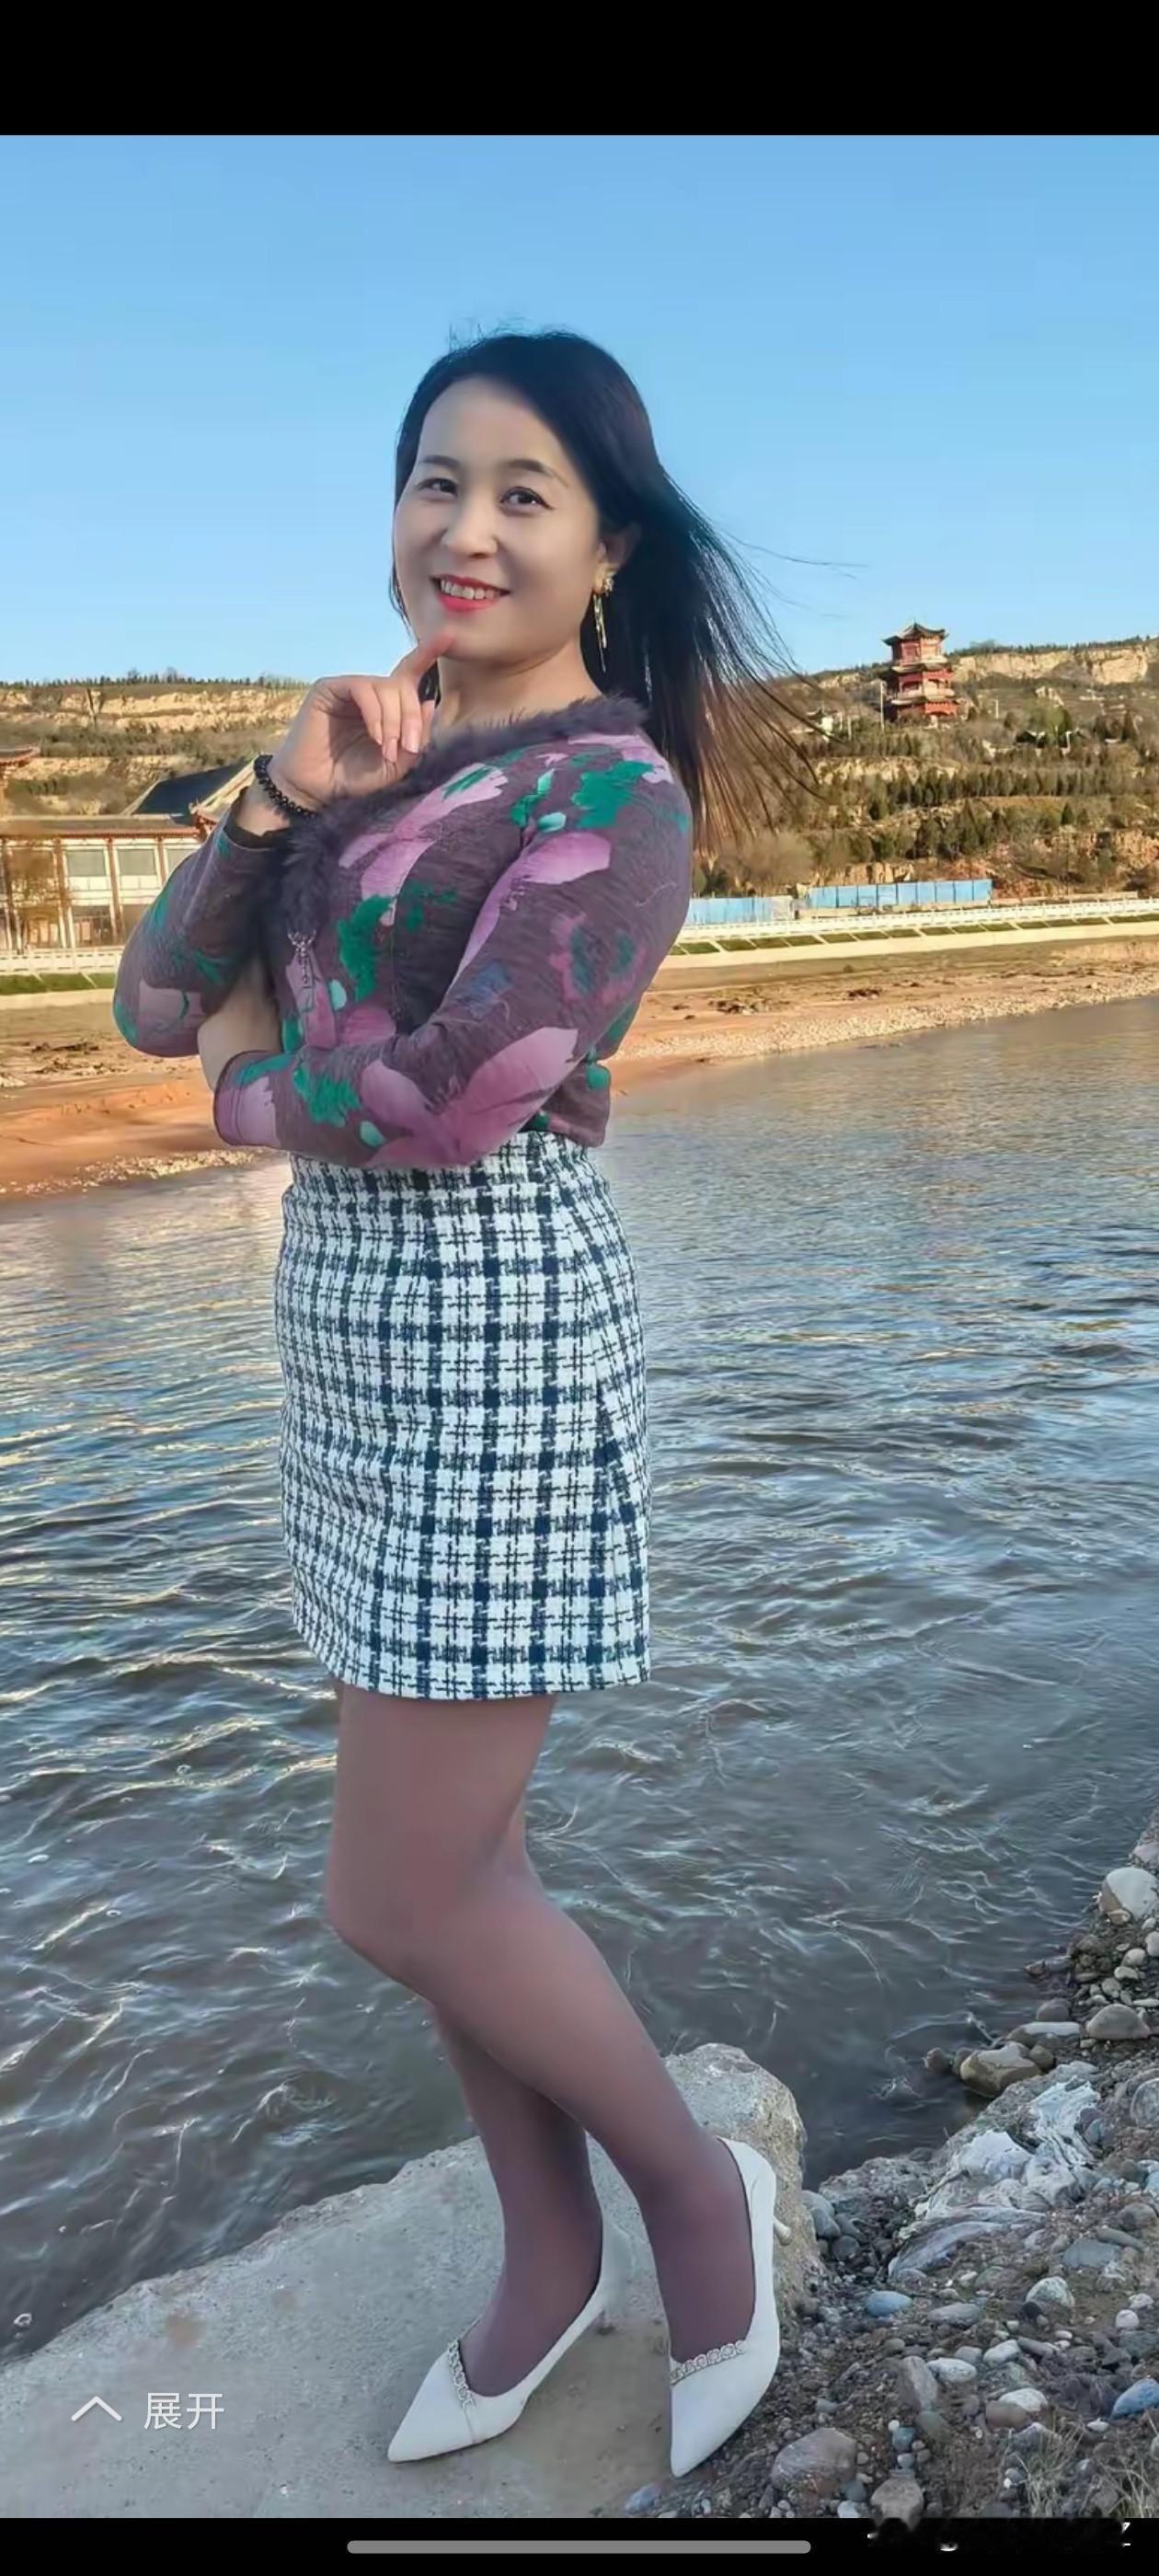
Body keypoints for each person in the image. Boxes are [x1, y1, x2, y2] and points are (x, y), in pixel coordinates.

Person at [114, 328, 796, 2479]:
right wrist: (275, 793)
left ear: (608, 546)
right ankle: (543, 2243)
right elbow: (152, 992)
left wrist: (250, 1084)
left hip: (496, 1319)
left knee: (397, 1889)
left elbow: (451, 1094)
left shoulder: (616, 796)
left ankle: (694, 2197)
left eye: (522, 491)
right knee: (460, 1857)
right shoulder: (362, 760)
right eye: (435, 479)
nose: (465, 528)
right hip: (345, 1328)